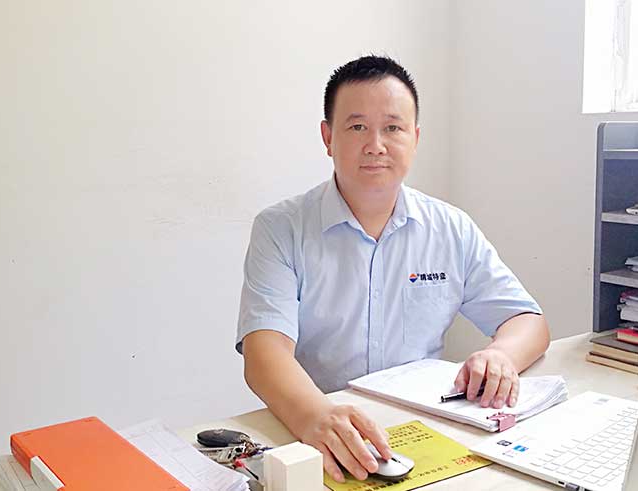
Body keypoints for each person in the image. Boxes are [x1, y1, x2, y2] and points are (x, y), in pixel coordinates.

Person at [236, 55, 550, 483]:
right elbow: (264, 355)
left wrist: (501, 356)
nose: (376, 145)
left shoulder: (450, 228)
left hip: (425, 429)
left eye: (393, 128)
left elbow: (527, 321)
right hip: (318, 427)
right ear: (328, 137)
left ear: (415, 138)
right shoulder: (281, 228)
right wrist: (316, 416)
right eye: (357, 127)